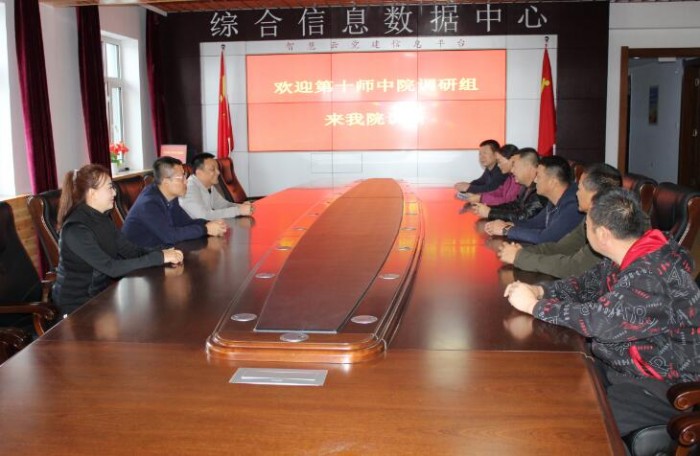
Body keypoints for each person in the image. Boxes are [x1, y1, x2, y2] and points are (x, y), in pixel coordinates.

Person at [504, 187, 700, 438]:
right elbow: (584, 285)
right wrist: (540, 290)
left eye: (587, 225)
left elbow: (601, 322)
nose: (585, 230)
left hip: (661, 386)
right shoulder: (627, 255)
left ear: (604, 234)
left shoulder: (651, 274)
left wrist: (534, 306)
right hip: (622, 365)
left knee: (575, 427)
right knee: (552, 386)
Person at [52, 164, 184, 315]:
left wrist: (164, 251)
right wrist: (159, 258)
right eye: (110, 188)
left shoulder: (103, 219)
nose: (114, 193)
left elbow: (132, 252)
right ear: (92, 193)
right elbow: (111, 268)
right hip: (76, 308)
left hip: (100, 298)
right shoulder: (75, 230)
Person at [498, 163, 621, 278]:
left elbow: (573, 267)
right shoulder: (590, 217)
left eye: (580, 189)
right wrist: (521, 251)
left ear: (593, 194)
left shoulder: (609, 226)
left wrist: (520, 257)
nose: (576, 193)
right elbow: (562, 247)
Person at [122, 157, 228, 249]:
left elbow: (185, 222)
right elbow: (170, 236)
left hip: (160, 252)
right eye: (181, 178)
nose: (186, 181)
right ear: (166, 182)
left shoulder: (170, 196)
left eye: (185, 176)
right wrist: (205, 229)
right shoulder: (148, 204)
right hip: (138, 260)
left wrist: (209, 223)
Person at [484, 156, 582, 244]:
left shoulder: (573, 205)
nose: (535, 180)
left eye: (538, 176)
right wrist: (508, 224)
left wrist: (507, 230)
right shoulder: (555, 199)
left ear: (552, 182)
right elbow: (535, 223)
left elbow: (546, 238)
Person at [475, 148, 545, 223]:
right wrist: (490, 209)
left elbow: (524, 217)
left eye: (514, 166)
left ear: (528, 167)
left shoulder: (540, 190)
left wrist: (490, 213)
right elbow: (514, 206)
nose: (512, 170)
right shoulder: (525, 187)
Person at [180, 153, 254, 220]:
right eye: (212, 169)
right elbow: (204, 216)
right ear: (199, 173)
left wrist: (241, 206)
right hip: (193, 229)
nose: (218, 172)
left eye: (217, 169)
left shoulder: (209, 185)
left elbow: (223, 205)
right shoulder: (189, 188)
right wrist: (238, 211)